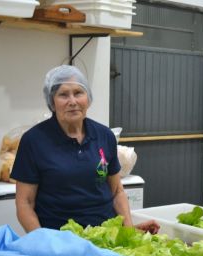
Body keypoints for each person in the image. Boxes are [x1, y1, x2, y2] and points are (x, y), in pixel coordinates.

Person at [11, 65, 159, 234]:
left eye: (78, 93)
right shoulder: (34, 140)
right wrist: (43, 242)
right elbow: (25, 203)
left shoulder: (104, 135)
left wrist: (128, 232)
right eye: (63, 95)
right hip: (59, 239)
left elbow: (117, 192)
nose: (72, 101)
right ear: (52, 102)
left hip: (105, 236)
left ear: (88, 98)